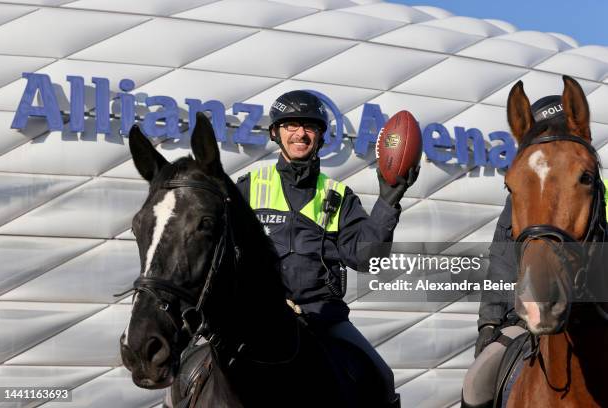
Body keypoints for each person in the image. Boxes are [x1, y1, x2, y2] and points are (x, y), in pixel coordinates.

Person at [235, 90, 418, 408]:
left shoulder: (338, 195)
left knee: (381, 378)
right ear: (276, 133)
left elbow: (364, 257)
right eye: (290, 125)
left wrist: (389, 200)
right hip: (256, 318)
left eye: (309, 126)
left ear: (319, 136)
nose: (300, 133)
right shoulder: (248, 187)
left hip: (324, 319)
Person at [461, 95, 569, 408]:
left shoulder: (593, 190)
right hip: (523, 323)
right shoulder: (519, 196)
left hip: (588, 320)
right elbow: (502, 261)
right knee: (475, 386)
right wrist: (490, 323)